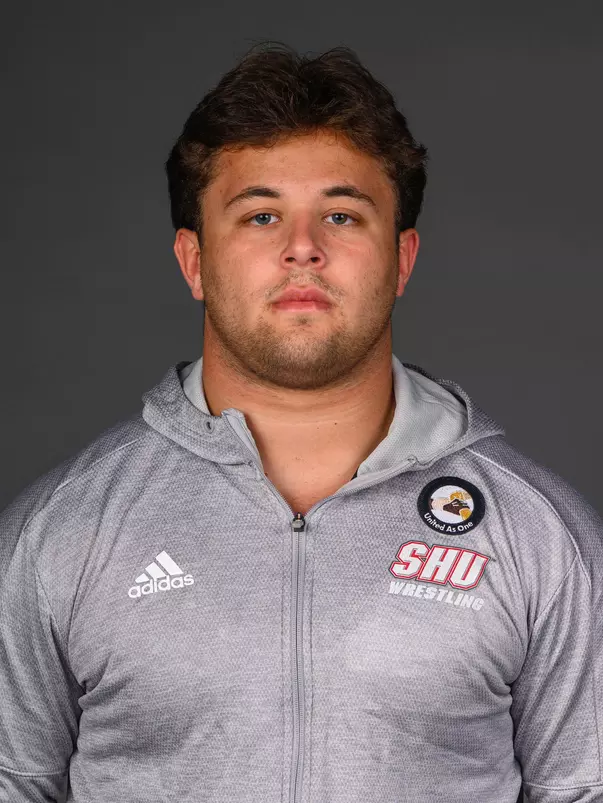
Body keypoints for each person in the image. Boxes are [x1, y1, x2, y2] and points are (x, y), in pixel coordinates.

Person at [0, 41, 601, 803]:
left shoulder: (539, 534)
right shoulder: (61, 533)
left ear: (402, 258)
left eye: (342, 215)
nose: (302, 250)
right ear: (194, 261)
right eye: (259, 216)